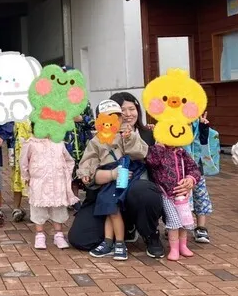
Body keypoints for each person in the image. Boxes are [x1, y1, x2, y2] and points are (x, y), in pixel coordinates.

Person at [68, 92, 167, 259]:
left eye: (132, 109)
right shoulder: (97, 139)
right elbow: (88, 163)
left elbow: (146, 156)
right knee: (81, 238)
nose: (128, 115)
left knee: (144, 191)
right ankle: (121, 231)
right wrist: (104, 174)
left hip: (134, 189)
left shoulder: (148, 135)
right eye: (123, 110)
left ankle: (150, 234)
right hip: (106, 188)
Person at [78, 100, 149, 261]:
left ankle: (118, 242)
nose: (112, 121)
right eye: (107, 117)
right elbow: (89, 159)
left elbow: (140, 153)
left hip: (126, 172)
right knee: (109, 208)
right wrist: (85, 172)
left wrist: (129, 138)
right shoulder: (96, 140)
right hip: (109, 175)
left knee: (113, 208)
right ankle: (110, 242)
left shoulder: (127, 134)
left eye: (116, 117)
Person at [20, 126, 78, 249]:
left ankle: (59, 235)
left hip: (58, 182)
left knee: (58, 208)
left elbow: (69, 160)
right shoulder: (31, 143)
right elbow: (23, 162)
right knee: (38, 208)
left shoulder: (58, 142)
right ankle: (40, 235)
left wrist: (66, 174)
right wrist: (26, 176)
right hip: (39, 182)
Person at [146, 140, 200, 261]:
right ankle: (174, 248)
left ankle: (183, 246)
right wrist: (159, 146)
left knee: (184, 220)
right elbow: (152, 162)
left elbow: (194, 169)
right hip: (166, 194)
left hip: (181, 194)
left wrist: (190, 179)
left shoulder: (182, 152)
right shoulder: (157, 150)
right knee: (174, 222)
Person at [185, 113, 215, 243]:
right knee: (181, 196)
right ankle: (176, 226)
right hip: (178, 166)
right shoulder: (173, 120)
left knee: (200, 195)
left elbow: (204, 142)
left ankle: (201, 227)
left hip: (197, 165)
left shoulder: (198, 122)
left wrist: (203, 126)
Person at [64, 100, 95, 212]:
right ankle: (72, 201)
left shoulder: (84, 102)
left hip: (84, 145)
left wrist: (82, 119)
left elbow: (93, 123)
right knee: (69, 174)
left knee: (84, 173)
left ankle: (84, 200)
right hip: (66, 145)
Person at [10, 119, 32, 222]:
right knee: (17, 177)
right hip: (17, 147)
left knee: (33, 178)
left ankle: (34, 210)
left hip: (34, 148)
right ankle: (16, 208)